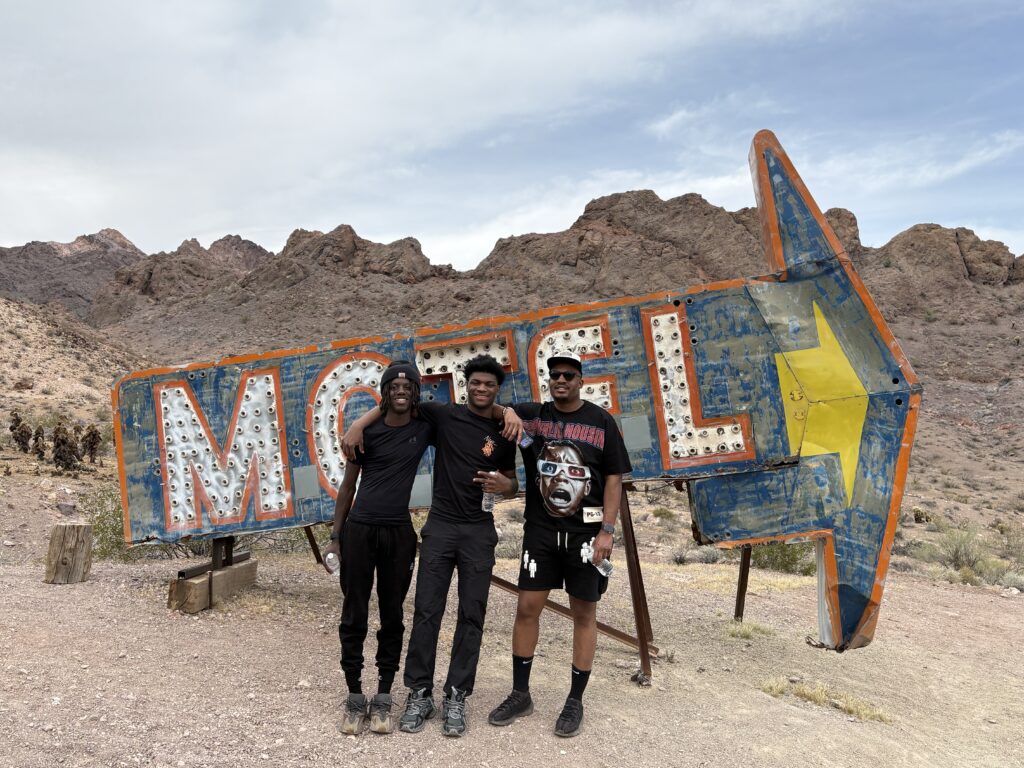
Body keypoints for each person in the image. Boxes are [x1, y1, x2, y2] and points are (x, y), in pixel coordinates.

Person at [342, 354, 522, 738]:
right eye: (475, 383)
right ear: (466, 384)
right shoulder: (443, 416)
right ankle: (419, 693)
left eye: (489, 385)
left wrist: (505, 486)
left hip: (478, 530)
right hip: (440, 527)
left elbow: (512, 482)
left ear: (497, 390)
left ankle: (456, 695)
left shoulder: (503, 431)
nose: (481, 389)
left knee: (472, 614)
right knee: (427, 611)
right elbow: (394, 400)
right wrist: (358, 422)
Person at [488, 350, 632, 738]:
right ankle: (521, 693)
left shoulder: (601, 421)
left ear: (581, 380)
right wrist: (510, 414)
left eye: (568, 375)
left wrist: (608, 530)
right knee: (526, 608)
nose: (561, 380)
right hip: (540, 530)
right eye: (554, 375)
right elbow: (490, 406)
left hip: (587, 534)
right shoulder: (534, 415)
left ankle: (575, 700)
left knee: (584, 614)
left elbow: (615, 477)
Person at [323, 360, 433, 735]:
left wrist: (360, 419)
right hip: (359, 530)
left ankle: (384, 694)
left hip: (399, 533)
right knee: (354, 611)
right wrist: (336, 536)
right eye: (393, 387)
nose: (401, 392)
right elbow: (347, 488)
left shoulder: (424, 426)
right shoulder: (364, 436)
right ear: (384, 393)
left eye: (407, 387)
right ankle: (354, 694)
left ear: (414, 392)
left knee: (393, 614)